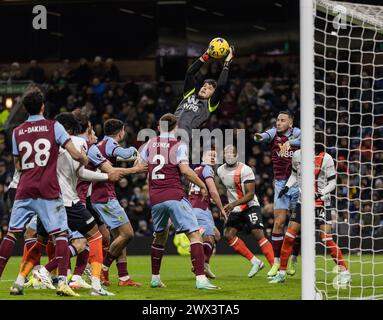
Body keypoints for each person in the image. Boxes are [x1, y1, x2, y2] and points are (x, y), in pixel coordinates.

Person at [0, 85, 88, 296]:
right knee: (60, 234)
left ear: (25, 109)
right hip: (48, 190)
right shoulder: (54, 126)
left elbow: (18, 164)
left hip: (24, 189)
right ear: (42, 106)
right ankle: (63, 283)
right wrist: (84, 158)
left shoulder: (17, 131)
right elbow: (74, 153)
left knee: (11, 234)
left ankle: (14, 279)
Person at [139, 113, 218, 289]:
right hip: (174, 195)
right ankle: (200, 280)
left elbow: (140, 165)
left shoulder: (149, 144)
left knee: (160, 236)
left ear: (159, 127)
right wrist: (202, 185)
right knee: (195, 234)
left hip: (156, 198)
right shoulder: (178, 144)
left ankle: (155, 278)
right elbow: (185, 170)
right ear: (176, 127)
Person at [270, 133, 351, 285]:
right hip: (302, 202)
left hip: (321, 203)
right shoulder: (297, 155)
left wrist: (320, 193)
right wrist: (286, 187)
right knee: (289, 237)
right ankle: (281, 274)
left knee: (326, 238)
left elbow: (332, 183)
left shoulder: (326, 158)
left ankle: (345, 272)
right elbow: (294, 174)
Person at [91, 119, 146, 287]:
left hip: (100, 194)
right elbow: (125, 155)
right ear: (121, 132)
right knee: (128, 234)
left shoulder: (100, 144)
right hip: (104, 196)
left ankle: (123, 277)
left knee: (119, 237)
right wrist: (139, 151)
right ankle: (103, 268)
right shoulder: (109, 143)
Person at [253, 111, 301, 277]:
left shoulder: (297, 133)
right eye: (278, 120)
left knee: (296, 227)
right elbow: (264, 136)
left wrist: (291, 142)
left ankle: (293, 258)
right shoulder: (274, 132)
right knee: (279, 223)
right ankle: (276, 262)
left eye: (282, 120)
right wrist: (259, 136)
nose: (279, 123)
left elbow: (307, 141)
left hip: (298, 183)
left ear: (290, 122)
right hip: (281, 184)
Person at [217, 145, 275, 278]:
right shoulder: (220, 170)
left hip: (249, 205)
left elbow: (250, 194)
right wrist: (223, 206)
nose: (229, 155)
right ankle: (256, 262)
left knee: (257, 233)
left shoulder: (245, 170)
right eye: (227, 153)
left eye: (232, 153)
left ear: (237, 155)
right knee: (228, 235)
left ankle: (275, 268)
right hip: (235, 207)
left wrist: (232, 204)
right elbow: (227, 190)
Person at [174, 46, 235, 146]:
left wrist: (227, 62)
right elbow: (190, 73)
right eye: (204, 86)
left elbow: (220, 86)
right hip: (167, 135)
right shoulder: (189, 94)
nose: (205, 88)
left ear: (212, 94)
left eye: (210, 88)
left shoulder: (210, 104)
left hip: (182, 141)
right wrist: (206, 55)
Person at [188, 148, 227, 278]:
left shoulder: (196, 170)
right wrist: (221, 208)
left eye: (214, 156)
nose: (212, 157)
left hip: (195, 208)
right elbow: (213, 190)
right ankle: (200, 265)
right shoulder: (207, 169)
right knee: (208, 239)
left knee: (216, 235)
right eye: (209, 155)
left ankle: (204, 265)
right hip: (200, 209)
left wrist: (209, 199)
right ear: (203, 157)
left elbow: (196, 190)